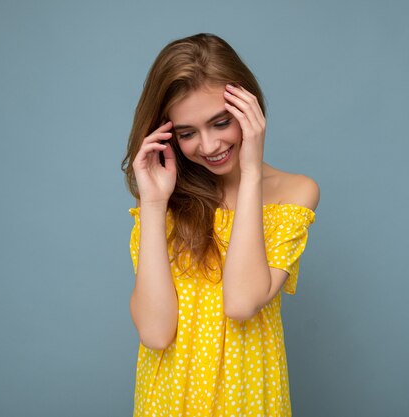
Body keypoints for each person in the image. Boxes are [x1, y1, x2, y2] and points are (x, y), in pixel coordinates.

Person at [120, 33, 320, 416]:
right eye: (187, 133)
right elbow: (156, 333)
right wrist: (154, 202)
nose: (209, 146)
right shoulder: (165, 203)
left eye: (221, 122)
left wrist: (250, 174)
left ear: (250, 110)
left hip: (246, 399)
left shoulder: (294, 194)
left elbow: (242, 303)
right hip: (167, 401)